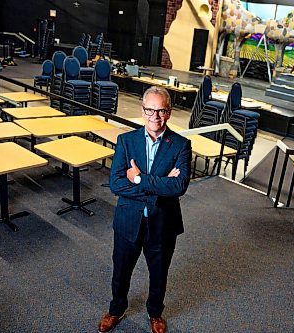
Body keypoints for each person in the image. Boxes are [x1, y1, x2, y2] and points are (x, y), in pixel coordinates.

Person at [98, 86, 192, 333]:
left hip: (163, 224)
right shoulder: (126, 141)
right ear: (142, 111)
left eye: (160, 111)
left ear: (169, 112)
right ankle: (116, 309)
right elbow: (116, 184)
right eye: (149, 110)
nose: (155, 117)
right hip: (128, 221)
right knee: (120, 271)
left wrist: (140, 179)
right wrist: (161, 184)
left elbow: (179, 185)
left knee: (159, 274)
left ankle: (155, 313)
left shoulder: (181, 145)